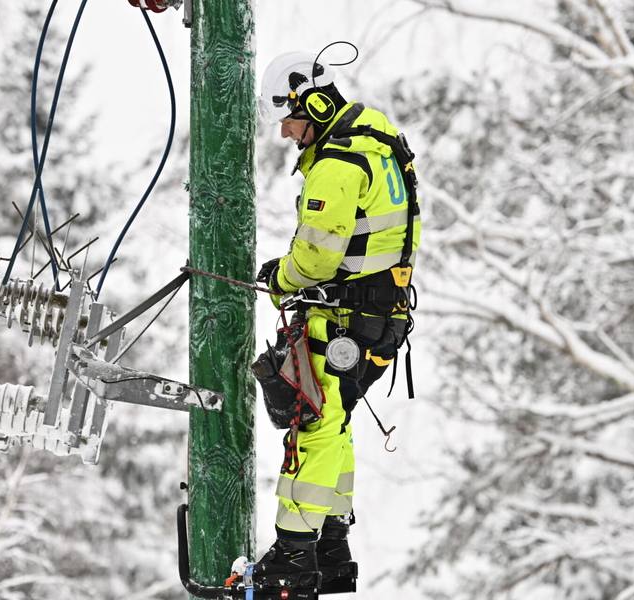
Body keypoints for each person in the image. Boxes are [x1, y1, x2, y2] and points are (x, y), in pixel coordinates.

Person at [251, 49, 421, 587]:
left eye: (289, 118)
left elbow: (318, 256)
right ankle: (330, 546)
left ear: (314, 103)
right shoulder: (376, 137)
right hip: (379, 315)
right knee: (337, 421)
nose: (284, 134)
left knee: (315, 426)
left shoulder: (338, 163)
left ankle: (293, 561)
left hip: (348, 318)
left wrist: (281, 278)